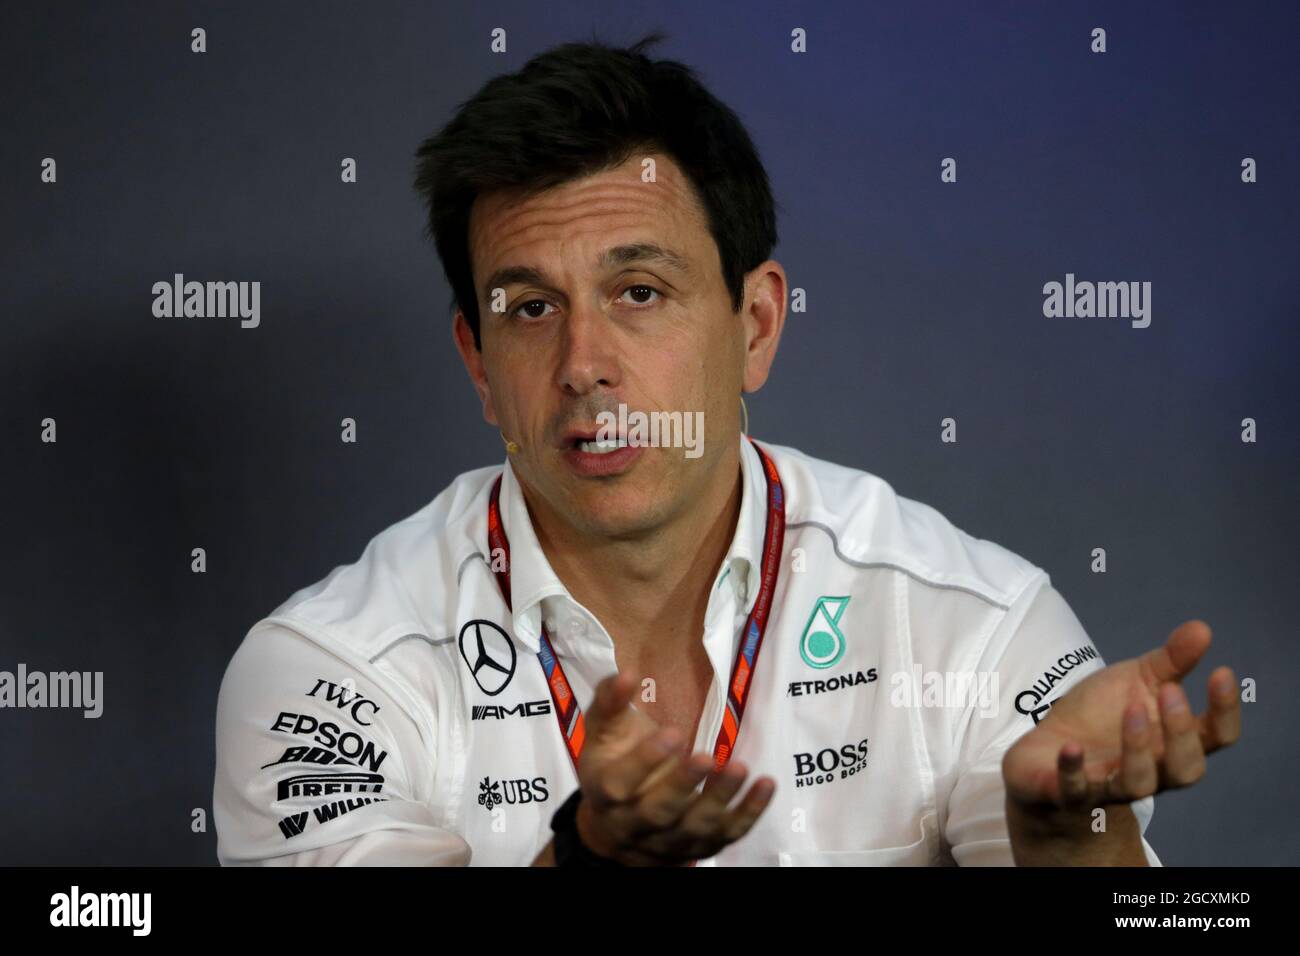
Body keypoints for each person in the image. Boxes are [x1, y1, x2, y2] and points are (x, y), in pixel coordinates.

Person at [213, 34, 1241, 866]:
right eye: (529, 308)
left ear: (754, 324)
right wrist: (592, 860)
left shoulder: (969, 622)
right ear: (478, 364)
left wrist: (1065, 839)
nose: (582, 364)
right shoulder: (325, 671)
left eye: (639, 292)